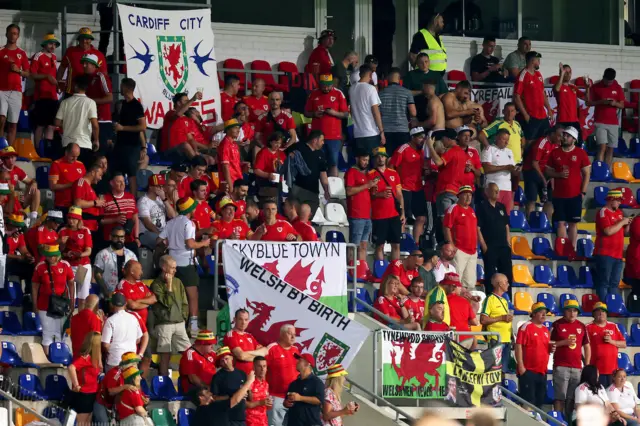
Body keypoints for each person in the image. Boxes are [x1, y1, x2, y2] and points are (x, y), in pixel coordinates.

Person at [159, 197, 209, 334]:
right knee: (192, 295)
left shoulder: (170, 223)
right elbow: (190, 244)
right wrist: (203, 244)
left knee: (172, 293)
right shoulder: (189, 223)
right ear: (190, 209)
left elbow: (159, 239)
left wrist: (169, 243)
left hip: (171, 262)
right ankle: (193, 326)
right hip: (186, 263)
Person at [546, 126, 591, 249]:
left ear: (574, 139)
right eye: (564, 135)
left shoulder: (580, 153)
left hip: (575, 194)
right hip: (559, 195)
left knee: (572, 224)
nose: (564, 137)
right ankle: (562, 250)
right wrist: (558, 175)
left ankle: (571, 249)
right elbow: (548, 171)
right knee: (560, 223)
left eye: (568, 136)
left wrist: (583, 192)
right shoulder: (555, 153)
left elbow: (587, 173)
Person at [551, 299, 591, 420]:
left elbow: (587, 346)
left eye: (575, 310)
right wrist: (564, 342)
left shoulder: (581, 326)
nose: (572, 313)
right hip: (561, 366)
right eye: (569, 310)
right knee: (560, 397)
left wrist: (587, 365)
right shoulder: (557, 325)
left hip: (577, 367)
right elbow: (549, 344)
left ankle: (568, 421)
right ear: (564, 311)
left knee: (572, 399)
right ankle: (557, 421)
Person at [150, 255, 190, 376]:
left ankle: (188, 376)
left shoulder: (178, 282)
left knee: (188, 353)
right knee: (165, 355)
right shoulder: (156, 284)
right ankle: (164, 382)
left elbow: (185, 303)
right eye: (172, 268)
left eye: (175, 268)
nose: (175, 270)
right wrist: (169, 285)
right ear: (163, 267)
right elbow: (167, 302)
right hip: (164, 324)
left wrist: (184, 318)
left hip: (179, 323)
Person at [32, 244, 75, 354]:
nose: (51, 258)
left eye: (53, 256)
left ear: (58, 255)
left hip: (61, 305)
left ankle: (60, 357)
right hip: (44, 305)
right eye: (48, 256)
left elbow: (71, 284)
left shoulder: (65, 265)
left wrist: (72, 302)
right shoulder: (40, 267)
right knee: (47, 334)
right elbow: (34, 286)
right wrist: (35, 305)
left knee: (61, 334)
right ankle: (48, 359)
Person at [304, 74, 348, 178]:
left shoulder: (338, 93)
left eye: (328, 86)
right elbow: (306, 112)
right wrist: (314, 114)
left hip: (334, 136)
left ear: (332, 84)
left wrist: (334, 113)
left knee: (333, 163)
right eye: (324, 86)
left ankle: (332, 190)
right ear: (320, 84)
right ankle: (318, 188)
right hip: (317, 136)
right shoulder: (313, 94)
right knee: (317, 162)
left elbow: (345, 114)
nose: (326, 88)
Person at [515, 302, 554, 408]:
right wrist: (521, 367)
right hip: (528, 371)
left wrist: (551, 349)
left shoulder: (546, 330)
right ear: (534, 314)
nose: (544, 315)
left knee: (539, 403)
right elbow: (518, 346)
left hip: (542, 372)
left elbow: (545, 349)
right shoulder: (526, 327)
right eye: (541, 313)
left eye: (545, 313)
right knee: (528, 403)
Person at [368, 147, 404, 261]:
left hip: (394, 214)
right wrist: (380, 195)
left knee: (396, 245)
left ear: (386, 158)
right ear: (374, 159)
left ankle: (395, 271)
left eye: (383, 156)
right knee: (379, 246)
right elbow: (368, 195)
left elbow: (399, 195)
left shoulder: (394, 173)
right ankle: (381, 272)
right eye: (378, 156)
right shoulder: (370, 174)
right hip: (378, 216)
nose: (380, 159)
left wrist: (402, 213)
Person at [477, 183, 513, 294]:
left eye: (498, 190)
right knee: (490, 275)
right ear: (487, 192)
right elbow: (477, 228)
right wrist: (483, 245)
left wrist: (508, 241)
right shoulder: (482, 207)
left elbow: (506, 225)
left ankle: (507, 299)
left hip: (503, 246)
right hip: (490, 246)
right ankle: (490, 298)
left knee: (507, 274)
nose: (497, 193)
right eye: (494, 191)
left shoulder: (501, 206)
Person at [390, 127, 425, 241]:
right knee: (402, 217)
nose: (422, 140)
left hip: (418, 188)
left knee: (422, 217)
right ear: (412, 138)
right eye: (420, 137)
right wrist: (395, 185)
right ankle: (401, 242)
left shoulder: (422, 151)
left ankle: (416, 244)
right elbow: (391, 167)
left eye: (423, 137)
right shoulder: (403, 149)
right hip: (404, 188)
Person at [595, 190, 629, 302]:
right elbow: (608, 231)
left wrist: (627, 224)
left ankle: (613, 307)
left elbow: (624, 232)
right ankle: (604, 308)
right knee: (604, 283)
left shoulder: (619, 213)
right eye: (618, 200)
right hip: (605, 254)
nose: (620, 203)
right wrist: (622, 223)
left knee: (614, 284)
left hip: (617, 255)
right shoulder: (603, 212)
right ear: (611, 199)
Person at [522, 125, 563, 218]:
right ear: (552, 134)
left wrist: (551, 178)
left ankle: (546, 223)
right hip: (532, 172)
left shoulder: (557, 145)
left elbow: (555, 165)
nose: (561, 138)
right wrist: (543, 179)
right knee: (532, 199)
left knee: (549, 201)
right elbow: (534, 163)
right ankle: (529, 221)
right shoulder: (542, 142)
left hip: (546, 173)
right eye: (559, 135)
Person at [113, 78, 146, 192]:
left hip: (131, 145)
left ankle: (133, 199)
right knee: (117, 172)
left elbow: (142, 127)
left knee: (132, 174)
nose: (120, 89)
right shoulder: (122, 104)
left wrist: (123, 128)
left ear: (126, 88)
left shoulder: (136, 106)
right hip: (120, 144)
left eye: (121, 86)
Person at [54, 74, 99, 160]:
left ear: (76, 86)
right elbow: (95, 125)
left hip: (67, 145)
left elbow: (57, 122)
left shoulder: (65, 102)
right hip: (84, 144)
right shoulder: (91, 103)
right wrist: (96, 140)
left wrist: (67, 123)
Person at [30, 33, 60, 156]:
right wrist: (46, 77)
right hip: (42, 96)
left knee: (51, 125)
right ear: (44, 44)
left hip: (52, 95)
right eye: (50, 43)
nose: (52, 46)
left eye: (54, 44)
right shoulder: (38, 56)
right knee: (41, 125)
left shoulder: (54, 57)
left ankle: (47, 149)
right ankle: (37, 150)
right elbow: (32, 75)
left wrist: (57, 86)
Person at [287, 130, 330, 215]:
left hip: (313, 191)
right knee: (294, 215)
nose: (323, 143)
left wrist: (326, 189)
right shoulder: (298, 147)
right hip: (297, 188)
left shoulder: (321, 154)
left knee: (309, 215)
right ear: (315, 140)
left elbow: (323, 173)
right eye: (322, 140)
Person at [513, 51, 553, 144]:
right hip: (531, 115)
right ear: (532, 61)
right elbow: (516, 96)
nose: (539, 62)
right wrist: (525, 114)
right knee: (529, 142)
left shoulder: (538, 74)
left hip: (542, 115)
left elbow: (543, 93)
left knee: (546, 140)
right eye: (538, 60)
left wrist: (549, 109)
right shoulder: (523, 75)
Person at [0, 24, 29, 147]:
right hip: (1, 90)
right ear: (6, 34)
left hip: (16, 91)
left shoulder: (21, 53)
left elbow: (28, 73)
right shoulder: (1, 51)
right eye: (11, 33)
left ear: (18, 36)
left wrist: (19, 71)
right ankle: (1, 146)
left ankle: (8, 150)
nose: (13, 35)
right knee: (1, 119)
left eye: (15, 33)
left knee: (13, 123)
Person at [443, 185, 477, 290]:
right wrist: (451, 245)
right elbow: (446, 227)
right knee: (456, 281)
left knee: (469, 283)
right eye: (466, 194)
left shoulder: (472, 210)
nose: (468, 197)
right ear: (459, 196)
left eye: (470, 195)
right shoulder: (454, 208)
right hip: (459, 250)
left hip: (472, 252)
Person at [589, 68, 625, 166]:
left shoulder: (618, 88)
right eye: (607, 81)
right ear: (603, 77)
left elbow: (622, 105)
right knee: (602, 146)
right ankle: (599, 169)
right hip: (600, 121)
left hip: (613, 123)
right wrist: (601, 102)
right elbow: (589, 102)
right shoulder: (596, 87)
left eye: (611, 82)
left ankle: (607, 171)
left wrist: (614, 103)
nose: (609, 84)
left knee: (611, 148)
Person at [58, 206, 92, 310]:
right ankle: (70, 316)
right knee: (70, 294)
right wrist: (63, 245)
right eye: (69, 218)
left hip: (82, 265)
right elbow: (59, 252)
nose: (71, 221)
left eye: (74, 218)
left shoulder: (85, 231)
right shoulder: (63, 231)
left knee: (82, 295)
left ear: (79, 219)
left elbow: (89, 251)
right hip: (68, 265)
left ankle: (80, 317)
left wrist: (79, 254)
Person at [266, 325, 300, 426]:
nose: (293, 337)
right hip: (276, 397)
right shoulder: (272, 348)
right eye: (290, 334)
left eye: (295, 334)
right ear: (281, 334)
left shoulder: (296, 350)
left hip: (293, 398)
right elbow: (261, 370)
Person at [93, 352, 141, 424]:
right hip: (102, 403)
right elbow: (111, 391)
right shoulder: (116, 373)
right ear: (127, 364)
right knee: (104, 423)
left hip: (113, 405)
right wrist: (125, 386)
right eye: (134, 364)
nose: (136, 366)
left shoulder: (129, 373)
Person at [101, 292, 145, 371]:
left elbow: (105, 344)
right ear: (125, 304)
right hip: (131, 360)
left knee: (115, 383)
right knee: (131, 383)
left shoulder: (110, 320)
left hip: (115, 361)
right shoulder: (134, 318)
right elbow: (138, 339)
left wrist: (114, 351)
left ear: (112, 304)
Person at [587, 302, 626, 388]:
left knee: (612, 397)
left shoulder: (613, 326)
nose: (601, 313)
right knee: (599, 397)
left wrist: (612, 341)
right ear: (593, 314)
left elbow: (624, 344)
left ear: (606, 314)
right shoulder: (588, 327)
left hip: (613, 371)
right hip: (597, 370)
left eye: (603, 311)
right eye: (598, 311)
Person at [58, 27, 107, 95]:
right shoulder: (70, 51)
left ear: (90, 40)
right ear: (78, 39)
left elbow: (104, 73)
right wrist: (58, 82)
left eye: (87, 39)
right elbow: (62, 67)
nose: (84, 41)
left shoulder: (99, 54)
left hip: (91, 91)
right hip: (71, 91)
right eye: (82, 38)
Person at [345, 149, 374, 262]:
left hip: (367, 215)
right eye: (363, 160)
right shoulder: (351, 172)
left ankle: (361, 270)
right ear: (357, 159)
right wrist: (367, 185)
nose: (366, 162)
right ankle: (349, 269)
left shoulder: (367, 174)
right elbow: (349, 191)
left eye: (367, 160)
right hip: (356, 214)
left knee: (363, 246)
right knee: (354, 245)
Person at [379, 68, 416, 155]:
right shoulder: (407, 92)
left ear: (387, 78)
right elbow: (413, 112)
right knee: (402, 157)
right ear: (399, 79)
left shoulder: (381, 93)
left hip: (386, 131)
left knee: (388, 157)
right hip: (402, 130)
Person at [67, 331, 102, 425]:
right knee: (82, 421)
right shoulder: (85, 358)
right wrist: (76, 385)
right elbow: (71, 367)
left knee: (88, 420)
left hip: (92, 393)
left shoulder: (95, 357)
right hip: (85, 393)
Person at [479, 273, 512, 372]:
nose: (508, 284)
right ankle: (495, 388)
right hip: (496, 339)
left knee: (503, 370)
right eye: (506, 282)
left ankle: (500, 386)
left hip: (507, 340)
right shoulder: (490, 299)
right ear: (499, 284)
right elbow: (483, 319)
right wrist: (501, 317)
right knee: (495, 370)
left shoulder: (505, 300)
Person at [100, 173, 139, 254]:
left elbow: (135, 219)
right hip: (111, 240)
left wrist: (136, 237)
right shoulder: (104, 198)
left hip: (129, 240)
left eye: (124, 181)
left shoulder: (131, 197)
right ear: (112, 183)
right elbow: (99, 220)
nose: (122, 184)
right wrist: (115, 219)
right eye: (119, 182)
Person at [94, 226, 138, 298]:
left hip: (128, 294)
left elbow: (136, 273)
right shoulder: (102, 254)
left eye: (122, 237)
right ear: (110, 237)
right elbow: (97, 275)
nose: (119, 240)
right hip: (109, 295)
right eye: (116, 237)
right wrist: (107, 292)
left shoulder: (131, 255)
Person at [349, 64, 384, 155]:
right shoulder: (371, 89)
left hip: (357, 133)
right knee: (373, 163)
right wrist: (381, 131)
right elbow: (376, 112)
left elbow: (352, 111)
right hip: (371, 133)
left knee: (361, 164)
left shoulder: (352, 89)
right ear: (370, 75)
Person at [481, 128, 517, 214]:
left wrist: (516, 170)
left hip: (507, 188)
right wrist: (505, 167)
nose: (506, 142)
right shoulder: (489, 149)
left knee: (507, 216)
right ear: (496, 138)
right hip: (493, 188)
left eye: (507, 140)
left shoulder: (509, 152)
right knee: (493, 215)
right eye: (504, 139)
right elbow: (486, 168)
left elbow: (512, 169)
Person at [479, 102, 525, 167]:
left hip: (517, 162)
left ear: (515, 112)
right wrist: (489, 149)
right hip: (504, 163)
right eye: (507, 111)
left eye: (512, 111)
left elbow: (522, 137)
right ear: (503, 112)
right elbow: (481, 135)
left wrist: (522, 149)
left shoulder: (517, 124)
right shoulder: (498, 123)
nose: (509, 113)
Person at [212, 346, 249, 426]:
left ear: (232, 358)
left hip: (241, 417)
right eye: (222, 361)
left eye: (226, 358)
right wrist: (232, 396)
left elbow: (248, 395)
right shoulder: (217, 377)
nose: (225, 362)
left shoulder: (242, 374)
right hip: (227, 418)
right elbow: (214, 398)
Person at [1, 146, 40, 221]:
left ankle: (33, 218)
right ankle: (21, 216)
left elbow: (31, 181)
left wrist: (34, 183)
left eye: (12, 157)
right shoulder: (1, 171)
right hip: (5, 201)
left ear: (16, 157)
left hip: (17, 199)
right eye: (8, 158)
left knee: (36, 191)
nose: (11, 160)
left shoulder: (17, 170)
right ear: (4, 160)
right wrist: (15, 193)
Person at [285, 353, 325, 426]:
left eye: (299, 360)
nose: (296, 362)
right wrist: (286, 403)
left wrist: (300, 398)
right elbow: (286, 401)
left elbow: (319, 400)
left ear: (307, 364)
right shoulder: (293, 383)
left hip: (310, 423)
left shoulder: (317, 382)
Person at [224, 309, 267, 376]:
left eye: (246, 320)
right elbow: (241, 356)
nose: (243, 322)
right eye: (240, 319)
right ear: (234, 319)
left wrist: (247, 354)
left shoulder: (249, 335)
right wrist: (257, 357)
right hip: (238, 377)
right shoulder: (231, 335)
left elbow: (265, 351)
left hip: (252, 376)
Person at [138, 174, 175, 249]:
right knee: (164, 244)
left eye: (162, 186)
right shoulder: (143, 201)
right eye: (158, 186)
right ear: (150, 187)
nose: (161, 189)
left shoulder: (161, 199)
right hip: (147, 233)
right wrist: (161, 236)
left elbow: (173, 216)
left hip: (162, 231)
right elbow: (148, 224)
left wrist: (164, 199)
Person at [49, 143, 88, 216]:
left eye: (77, 156)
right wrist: (71, 185)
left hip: (78, 205)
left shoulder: (81, 164)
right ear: (66, 152)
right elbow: (52, 186)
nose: (75, 159)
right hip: (62, 205)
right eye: (72, 156)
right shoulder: (56, 164)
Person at [116, 260, 156, 325]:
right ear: (132, 272)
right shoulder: (123, 285)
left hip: (143, 325)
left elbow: (154, 299)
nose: (142, 272)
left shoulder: (141, 284)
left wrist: (138, 301)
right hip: (130, 326)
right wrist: (147, 302)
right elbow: (132, 305)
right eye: (140, 269)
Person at [446, 274, 479, 350]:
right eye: (459, 286)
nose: (461, 288)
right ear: (454, 287)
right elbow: (475, 322)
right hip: (466, 338)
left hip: (452, 339)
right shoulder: (464, 301)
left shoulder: (443, 300)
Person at [72, 163, 105, 233]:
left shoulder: (90, 187)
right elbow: (77, 203)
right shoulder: (81, 182)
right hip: (84, 225)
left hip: (92, 225)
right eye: (100, 175)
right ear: (93, 172)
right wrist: (95, 202)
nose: (100, 178)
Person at [554, 64, 584, 140]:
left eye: (569, 72)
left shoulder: (573, 87)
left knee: (577, 144)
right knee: (562, 143)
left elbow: (586, 98)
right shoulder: (558, 86)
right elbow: (557, 89)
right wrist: (561, 75)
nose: (568, 74)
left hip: (574, 121)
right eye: (565, 72)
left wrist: (588, 88)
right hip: (562, 121)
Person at [218, 119, 245, 193]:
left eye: (238, 128)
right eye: (235, 128)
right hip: (231, 182)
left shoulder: (234, 144)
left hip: (238, 179)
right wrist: (230, 185)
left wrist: (244, 165)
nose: (238, 130)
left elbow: (235, 163)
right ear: (228, 130)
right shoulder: (225, 145)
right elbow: (225, 166)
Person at [246, 356, 272, 426]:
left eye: (264, 366)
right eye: (259, 366)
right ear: (254, 368)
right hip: (250, 422)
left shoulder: (266, 384)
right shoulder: (248, 383)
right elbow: (243, 403)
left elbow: (266, 406)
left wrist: (269, 404)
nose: (262, 369)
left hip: (264, 422)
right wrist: (260, 402)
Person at [456, 126, 481, 190]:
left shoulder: (474, 151)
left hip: (470, 190)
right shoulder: (453, 150)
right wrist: (462, 169)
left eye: (469, 136)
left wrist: (473, 168)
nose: (467, 138)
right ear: (458, 137)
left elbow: (479, 173)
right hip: (456, 189)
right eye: (464, 135)